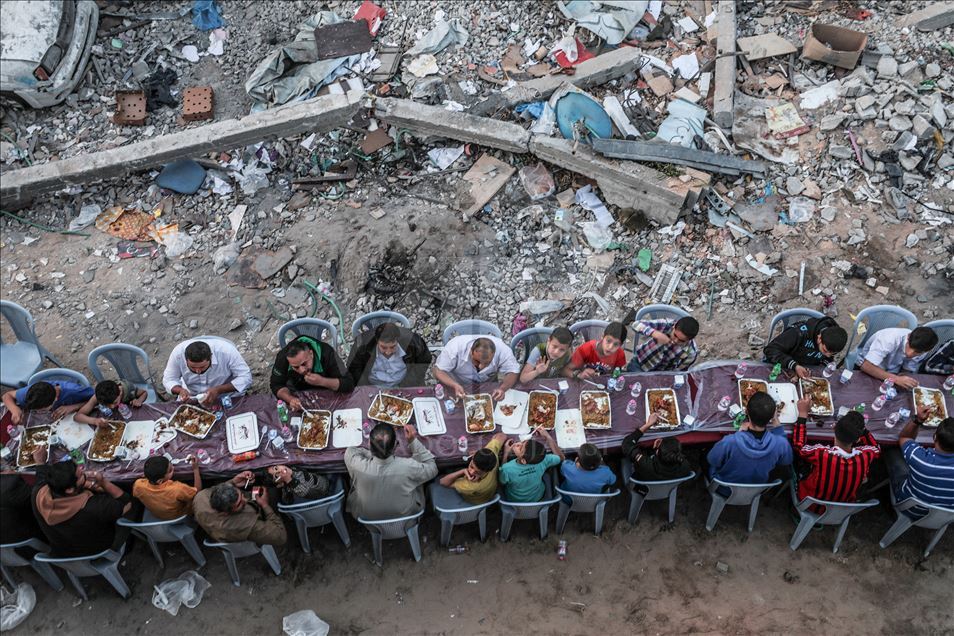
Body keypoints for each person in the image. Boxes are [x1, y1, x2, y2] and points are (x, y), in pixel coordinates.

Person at [31, 458, 135, 557]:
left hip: (65, 552)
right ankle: (128, 547)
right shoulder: (94, 507)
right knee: (135, 499)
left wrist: (88, 485)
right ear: (70, 490)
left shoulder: (38, 494)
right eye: (81, 475)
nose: (83, 470)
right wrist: (103, 482)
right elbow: (126, 503)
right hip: (99, 552)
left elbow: (42, 476)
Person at [790, 398, 880, 505]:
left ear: (835, 428)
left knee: (797, 463)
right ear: (858, 439)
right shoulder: (866, 455)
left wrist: (802, 414)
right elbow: (876, 448)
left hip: (809, 504)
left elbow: (799, 446)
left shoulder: (822, 454)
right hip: (842, 509)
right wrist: (861, 429)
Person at [344, 423, 437, 520]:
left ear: (369, 444)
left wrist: (373, 453)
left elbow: (350, 451)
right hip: (406, 517)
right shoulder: (408, 467)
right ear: (395, 446)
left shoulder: (357, 465)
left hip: (368, 518)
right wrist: (413, 441)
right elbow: (432, 468)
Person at [706, 392, 792, 485]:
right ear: (772, 416)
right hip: (756, 489)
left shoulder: (730, 441)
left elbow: (712, 460)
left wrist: (740, 433)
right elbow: (786, 461)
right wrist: (776, 422)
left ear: (746, 412)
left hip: (723, 487)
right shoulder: (781, 443)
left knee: (704, 456)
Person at [883, 410, 954, 517]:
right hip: (944, 516)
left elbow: (905, 437)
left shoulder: (920, 458)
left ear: (934, 437)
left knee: (892, 451)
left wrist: (918, 420)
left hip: (909, 507)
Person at [192, 471, 287, 546]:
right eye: (239, 504)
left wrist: (233, 482)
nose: (245, 500)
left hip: (217, 527)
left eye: (241, 495)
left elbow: (215, 489)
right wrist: (265, 505)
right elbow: (281, 537)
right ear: (225, 513)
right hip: (236, 530)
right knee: (274, 490)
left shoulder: (201, 497)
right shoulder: (243, 524)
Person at [270, 335, 353, 411]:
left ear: (311, 354)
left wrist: (322, 381)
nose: (302, 370)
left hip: (328, 393)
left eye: (304, 364)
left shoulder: (328, 353)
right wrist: (290, 399)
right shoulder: (282, 358)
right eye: (296, 367)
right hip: (300, 392)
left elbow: (349, 383)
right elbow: (276, 385)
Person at [162, 338, 252, 408]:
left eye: (202, 367)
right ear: (185, 360)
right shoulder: (178, 354)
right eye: (192, 367)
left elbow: (245, 377)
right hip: (192, 396)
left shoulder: (227, 352)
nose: (198, 371)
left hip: (226, 395)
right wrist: (180, 391)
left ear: (211, 358)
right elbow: (169, 379)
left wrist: (219, 390)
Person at [433, 335, 520, 401]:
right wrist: (454, 385)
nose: (480, 367)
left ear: (494, 354)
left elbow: (513, 371)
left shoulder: (503, 351)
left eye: (486, 363)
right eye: (477, 361)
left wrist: (502, 389)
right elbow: (438, 371)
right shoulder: (454, 349)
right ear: (471, 351)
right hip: (458, 382)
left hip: (487, 383)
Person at [346, 322, 432, 389]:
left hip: (403, 385)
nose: (388, 352)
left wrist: (405, 386)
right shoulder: (362, 345)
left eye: (393, 347)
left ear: (397, 340)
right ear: (377, 341)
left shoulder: (414, 343)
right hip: (372, 385)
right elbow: (353, 369)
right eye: (383, 347)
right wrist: (367, 388)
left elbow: (424, 361)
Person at [763, 316, 848, 379]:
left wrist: (823, 365)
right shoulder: (799, 333)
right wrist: (794, 366)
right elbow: (770, 350)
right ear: (819, 338)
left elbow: (827, 359)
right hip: (782, 368)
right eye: (825, 351)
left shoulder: (831, 342)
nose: (828, 355)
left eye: (833, 353)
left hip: (805, 374)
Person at [855, 326, 938, 390]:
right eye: (909, 346)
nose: (909, 353)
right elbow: (866, 366)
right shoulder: (889, 339)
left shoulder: (923, 349)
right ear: (908, 336)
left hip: (891, 373)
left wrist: (905, 378)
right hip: (868, 366)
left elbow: (907, 369)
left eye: (917, 352)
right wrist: (896, 379)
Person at [499, 428, 565, 502]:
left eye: (520, 448)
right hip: (537, 496)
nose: (518, 444)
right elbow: (561, 458)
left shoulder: (507, 468)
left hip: (515, 499)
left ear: (524, 461)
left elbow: (502, 482)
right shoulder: (543, 460)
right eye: (523, 442)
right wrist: (548, 437)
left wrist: (505, 454)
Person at [621, 412, 692, 481]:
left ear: (657, 452)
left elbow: (627, 444)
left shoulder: (645, 464)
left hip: (643, 483)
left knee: (626, 458)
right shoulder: (685, 466)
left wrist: (648, 424)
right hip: (668, 486)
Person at [438, 433, 507, 505]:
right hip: (489, 491)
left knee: (445, 472)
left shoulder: (471, 485)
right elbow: (502, 435)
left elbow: (443, 482)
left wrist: (463, 471)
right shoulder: (492, 456)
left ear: (488, 471)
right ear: (473, 457)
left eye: (478, 472)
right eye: (471, 466)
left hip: (476, 501)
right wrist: (480, 453)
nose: (471, 472)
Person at [132, 455, 201, 520]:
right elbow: (197, 492)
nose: (173, 467)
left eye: (171, 464)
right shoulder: (177, 489)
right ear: (160, 481)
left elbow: (136, 493)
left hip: (158, 513)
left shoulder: (138, 485)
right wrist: (195, 469)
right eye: (170, 470)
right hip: (177, 516)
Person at [1, 380, 94, 426]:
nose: (39, 413)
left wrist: (73, 406)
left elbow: (97, 398)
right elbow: (6, 396)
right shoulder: (29, 394)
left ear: (55, 399)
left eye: (44, 409)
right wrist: (15, 410)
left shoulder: (74, 391)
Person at [1, 451, 45, 545]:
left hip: (8, 551)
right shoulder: (9, 486)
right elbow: (42, 492)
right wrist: (40, 463)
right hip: (34, 542)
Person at [627, 316, 700, 373]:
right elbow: (636, 324)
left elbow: (679, 372)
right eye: (675, 335)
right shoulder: (666, 325)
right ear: (674, 326)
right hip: (640, 362)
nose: (675, 341)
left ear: (689, 340)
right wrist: (655, 333)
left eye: (681, 340)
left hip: (659, 374)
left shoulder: (691, 353)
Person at [74, 379, 148, 428]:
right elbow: (77, 416)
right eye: (106, 405)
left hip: (131, 415)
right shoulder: (98, 397)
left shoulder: (128, 389)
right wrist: (94, 421)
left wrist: (139, 401)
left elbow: (144, 393)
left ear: (120, 392)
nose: (112, 407)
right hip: (115, 418)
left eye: (115, 402)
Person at [266, 465, 331, 505]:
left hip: (315, 477)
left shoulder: (291, 469)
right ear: (280, 484)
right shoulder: (295, 487)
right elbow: (302, 491)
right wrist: (288, 480)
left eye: (276, 468)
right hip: (324, 487)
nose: (280, 471)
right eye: (277, 476)